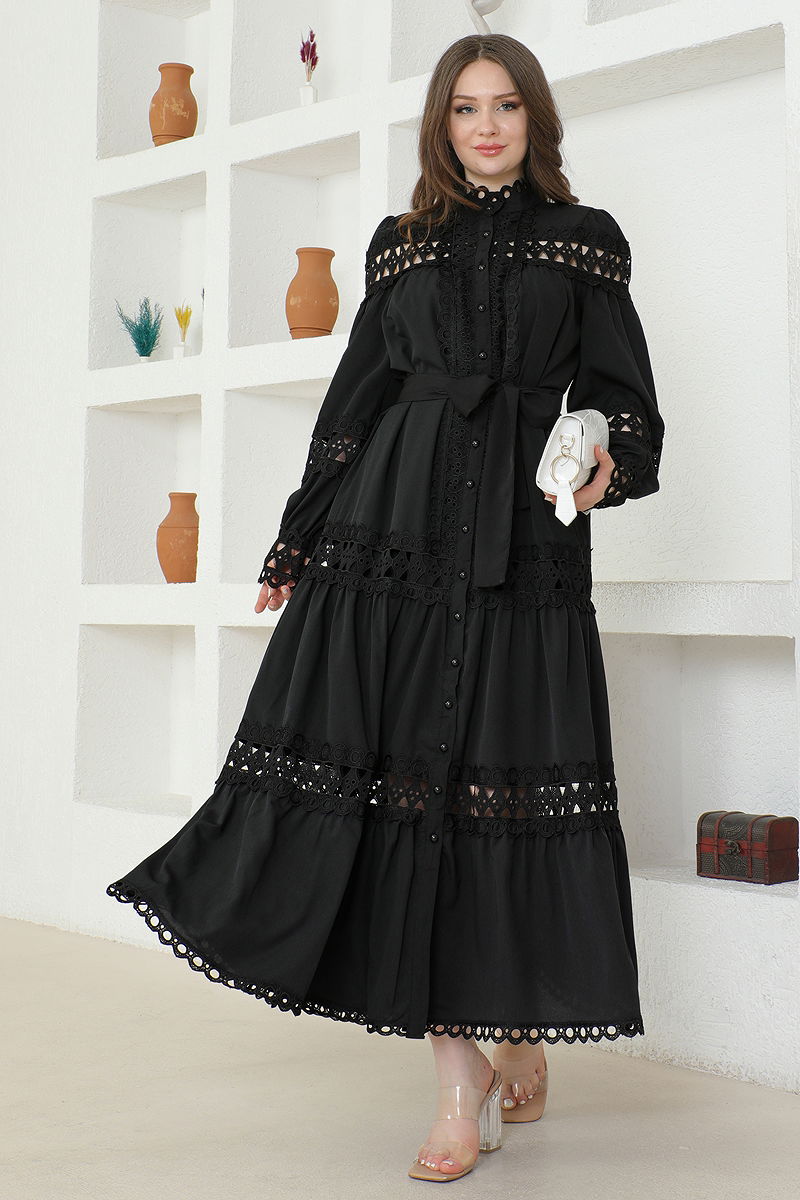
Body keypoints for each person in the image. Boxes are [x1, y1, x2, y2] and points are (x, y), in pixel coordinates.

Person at [106, 33, 665, 1185]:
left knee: (497, 790)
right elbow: (354, 402)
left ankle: (516, 1026)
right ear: (439, 125)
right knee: (409, 793)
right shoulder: (397, 244)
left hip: (519, 548)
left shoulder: (584, 238)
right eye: (464, 108)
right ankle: (459, 1089)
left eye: (504, 106)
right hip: (389, 543)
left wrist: (603, 463)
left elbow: (621, 399)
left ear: (532, 118)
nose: (485, 127)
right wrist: (297, 535)